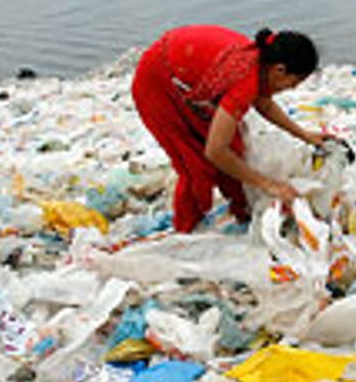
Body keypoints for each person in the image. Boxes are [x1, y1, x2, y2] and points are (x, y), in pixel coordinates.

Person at [131, 25, 329, 233]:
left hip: (183, 76)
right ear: (279, 69)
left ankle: (243, 216)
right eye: (294, 82)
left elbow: (265, 104)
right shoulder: (244, 80)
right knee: (194, 166)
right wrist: (269, 185)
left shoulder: (260, 63)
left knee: (235, 152)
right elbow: (215, 151)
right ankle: (185, 231)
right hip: (156, 82)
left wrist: (305, 135)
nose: (293, 88)